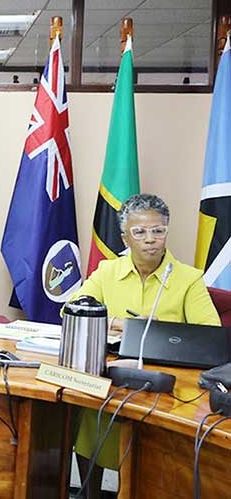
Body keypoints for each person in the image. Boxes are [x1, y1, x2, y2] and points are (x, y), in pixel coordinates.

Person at [67, 193, 220, 498]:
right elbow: (72, 308)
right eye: (139, 232)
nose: (150, 239)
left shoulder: (188, 278)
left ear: (166, 231)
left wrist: (159, 328)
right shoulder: (108, 272)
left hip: (166, 380)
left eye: (158, 230)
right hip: (115, 373)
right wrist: (122, 324)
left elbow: (211, 334)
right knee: (91, 409)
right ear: (126, 237)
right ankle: (89, 494)